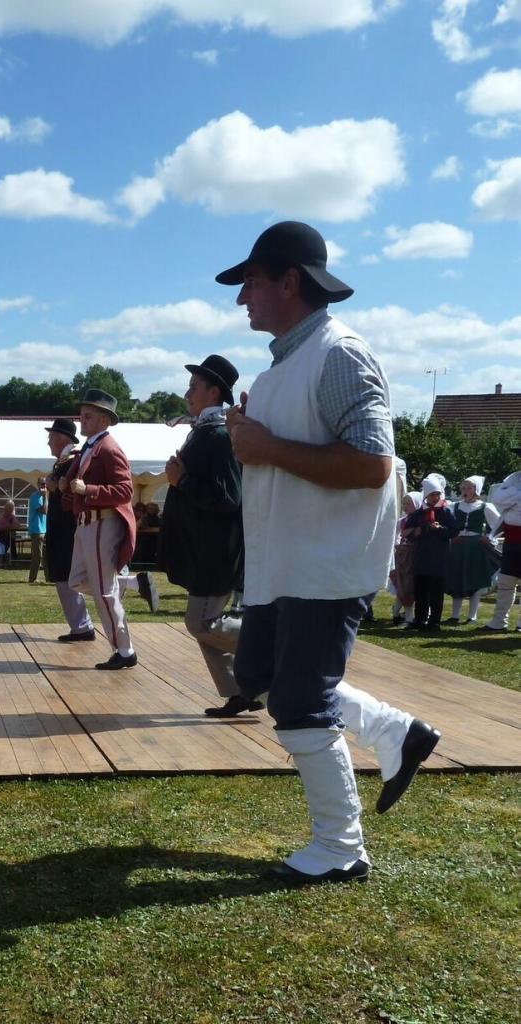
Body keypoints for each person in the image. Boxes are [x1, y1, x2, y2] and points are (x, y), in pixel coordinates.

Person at [219, 221, 440, 884]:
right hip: (284, 562)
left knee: (299, 703)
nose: (241, 299)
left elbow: (373, 466)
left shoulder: (338, 353)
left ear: (289, 281)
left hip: (323, 563)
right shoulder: (285, 364)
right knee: (258, 672)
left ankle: (340, 847)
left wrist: (262, 448)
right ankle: (395, 731)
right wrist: (251, 442)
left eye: (252, 283)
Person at [158, 354, 258, 717]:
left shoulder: (218, 437)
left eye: (194, 387)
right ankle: (239, 692)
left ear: (214, 391)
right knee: (204, 626)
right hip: (204, 548)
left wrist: (181, 480)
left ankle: (265, 643)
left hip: (217, 550)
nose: (187, 393)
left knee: (200, 623)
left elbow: (228, 497)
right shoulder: (205, 433)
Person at [60, 389, 140, 670]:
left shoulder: (109, 448)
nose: (82, 418)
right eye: (83, 413)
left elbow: (125, 490)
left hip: (101, 524)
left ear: (104, 420)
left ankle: (124, 650)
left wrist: (88, 489)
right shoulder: (91, 447)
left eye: (89, 414)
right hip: (87, 524)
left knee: (104, 592)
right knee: (77, 582)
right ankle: (134, 583)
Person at [43, 417, 96, 640]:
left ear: (63, 438)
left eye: (51, 437)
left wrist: (54, 486)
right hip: (61, 527)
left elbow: (74, 491)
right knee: (64, 575)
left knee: (68, 575)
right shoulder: (66, 460)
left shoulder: (73, 460)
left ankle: (82, 626)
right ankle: (80, 625)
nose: (48, 442)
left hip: (67, 529)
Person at [403, 474, 460, 631]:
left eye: (437, 494)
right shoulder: (418, 514)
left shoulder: (445, 512)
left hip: (439, 557)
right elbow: (406, 531)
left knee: (436, 591)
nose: (435, 497)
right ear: (426, 495)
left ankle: (434, 621)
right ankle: (420, 619)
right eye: (432, 494)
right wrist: (418, 530)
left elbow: (454, 531)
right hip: (422, 556)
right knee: (420, 590)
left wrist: (440, 529)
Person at [445, 476, 499, 625]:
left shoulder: (485, 506)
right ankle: (455, 615)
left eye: (469, 488)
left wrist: (488, 537)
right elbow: (447, 525)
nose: (465, 491)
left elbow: (498, 524)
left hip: (475, 546)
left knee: (474, 579)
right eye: (463, 488)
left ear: (476, 490)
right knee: (457, 578)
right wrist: (452, 536)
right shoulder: (454, 506)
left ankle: (472, 616)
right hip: (458, 545)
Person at [485, 459, 521, 631]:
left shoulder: (512, 483)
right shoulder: (514, 478)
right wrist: (517, 495)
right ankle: (499, 621)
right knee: (506, 581)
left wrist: (512, 497)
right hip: (512, 541)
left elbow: (506, 499)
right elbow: (498, 499)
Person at [389, 491, 422, 624]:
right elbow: (395, 535)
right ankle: (405, 616)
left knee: (410, 587)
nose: (405, 506)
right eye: (404, 503)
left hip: (416, 556)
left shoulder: (421, 520)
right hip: (403, 556)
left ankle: (399, 611)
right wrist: (398, 545)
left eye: (409, 503)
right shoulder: (402, 521)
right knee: (403, 585)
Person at [27, 478, 48, 583]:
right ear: (38, 484)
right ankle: (32, 578)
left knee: (46, 556)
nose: (44, 486)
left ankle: (49, 577)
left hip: (44, 529)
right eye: (42, 484)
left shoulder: (45, 497)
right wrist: (45, 497)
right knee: (37, 555)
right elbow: (44, 511)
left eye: (45, 484)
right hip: (36, 530)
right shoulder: (35, 497)